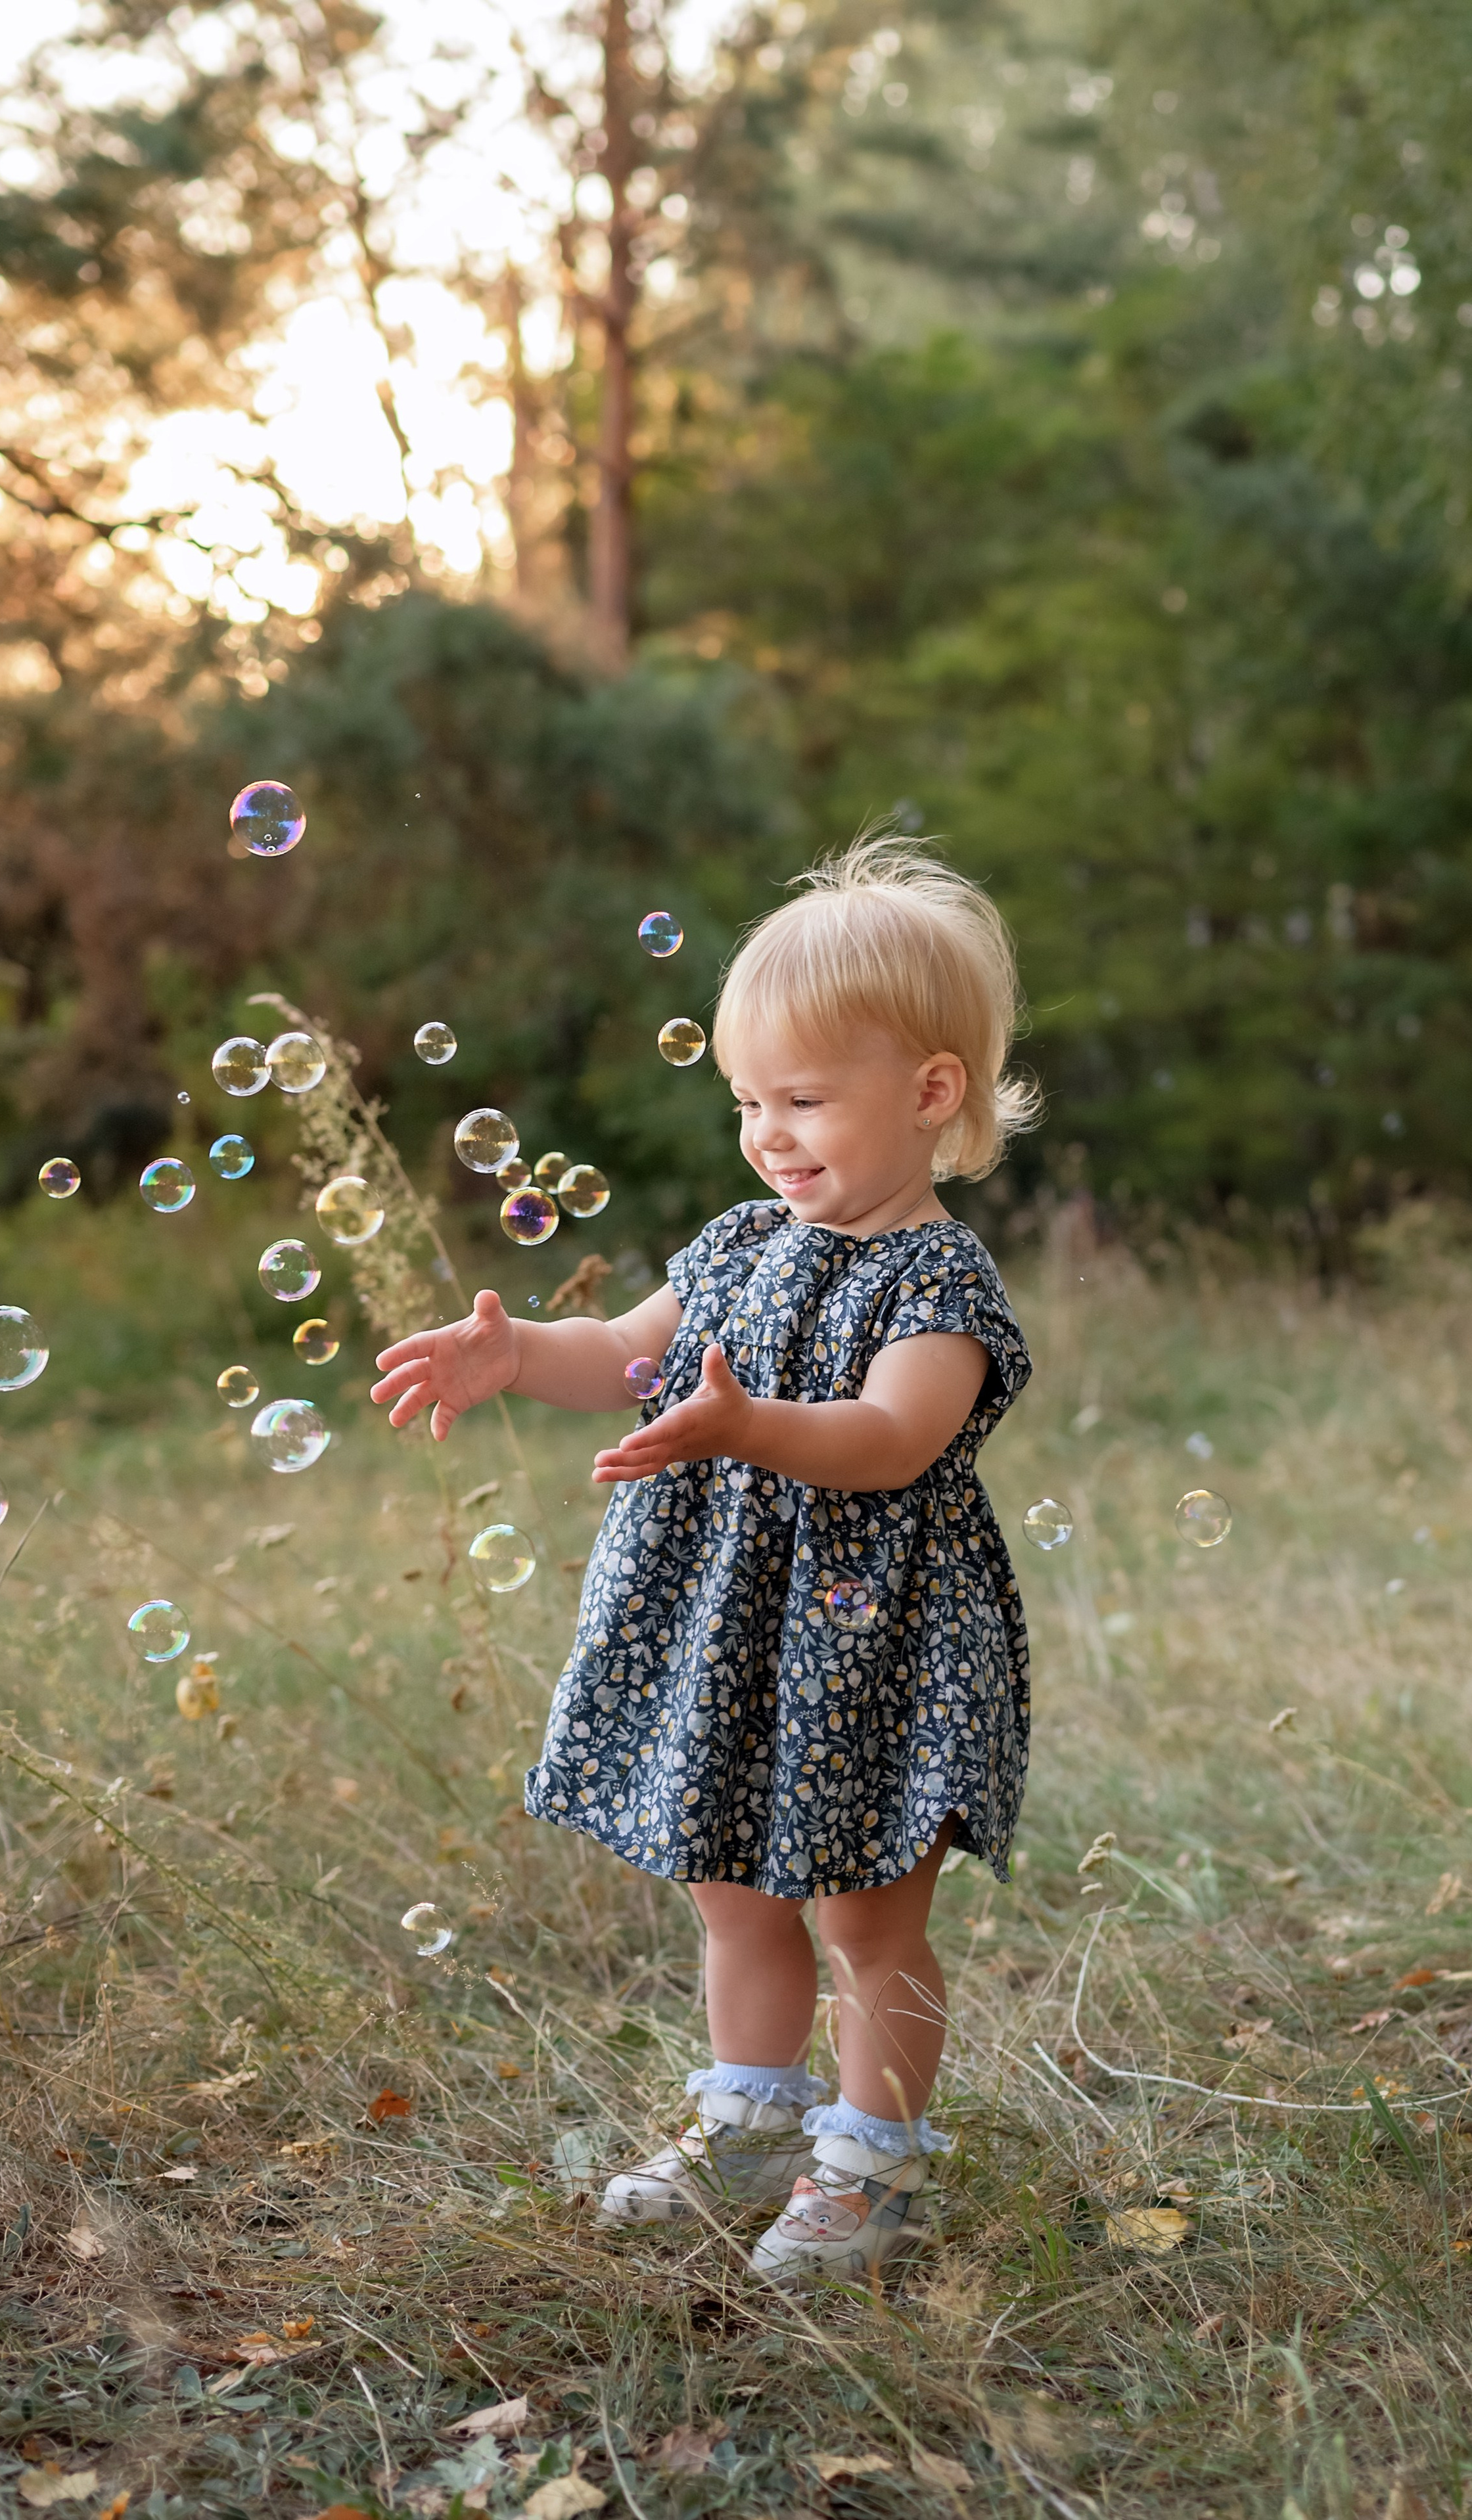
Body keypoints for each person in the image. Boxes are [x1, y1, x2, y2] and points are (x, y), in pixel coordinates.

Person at [370, 834, 1037, 2289]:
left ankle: (866, 2164)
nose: (768, 1132)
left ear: (928, 1093)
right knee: (726, 1879)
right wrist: (512, 1353)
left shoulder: (938, 1280)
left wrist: (744, 1422)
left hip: (871, 1638)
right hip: (726, 1629)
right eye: (748, 1099)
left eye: (802, 1098)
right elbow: (620, 1351)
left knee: (866, 1907)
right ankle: (748, 2121)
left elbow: (889, 1438)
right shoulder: (739, 1240)